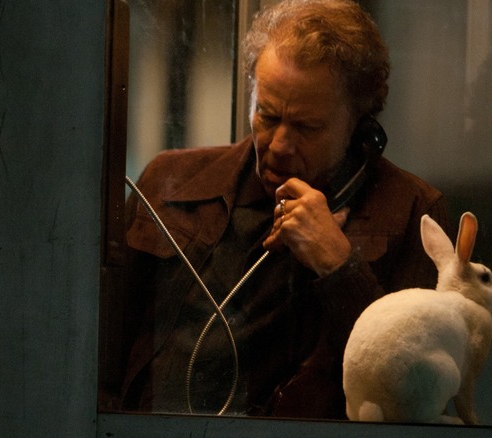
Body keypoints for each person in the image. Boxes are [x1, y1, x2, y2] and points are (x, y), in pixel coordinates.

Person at [118, 0, 450, 419]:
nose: (277, 146)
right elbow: (100, 348)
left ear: (360, 122)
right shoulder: (170, 182)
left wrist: (339, 266)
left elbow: (411, 394)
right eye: (267, 115)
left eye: (307, 127)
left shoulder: (409, 212)